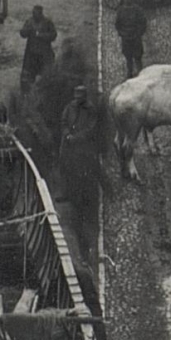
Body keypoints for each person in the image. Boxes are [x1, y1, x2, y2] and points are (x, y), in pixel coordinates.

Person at [57, 85, 103, 262]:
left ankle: (89, 190)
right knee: (64, 166)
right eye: (76, 96)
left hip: (83, 146)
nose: (77, 99)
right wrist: (68, 134)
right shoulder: (69, 107)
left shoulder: (91, 110)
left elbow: (91, 128)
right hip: (69, 145)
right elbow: (64, 122)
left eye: (80, 96)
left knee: (88, 166)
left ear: (85, 97)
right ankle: (65, 191)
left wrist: (78, 137)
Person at [19, 5, 57, 95]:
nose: (34, 15)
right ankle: (26, 95)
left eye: (36, 13)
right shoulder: (29, 22)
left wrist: (41, 35)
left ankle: (46, 94)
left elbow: (53, 35)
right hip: (31, 54)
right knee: (27, 76)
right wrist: (26, 31)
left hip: (44, 54)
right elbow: (22, 33)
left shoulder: (47, 22)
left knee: (46, 75)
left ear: (40, 13)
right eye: (33, 13)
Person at [115, 0, 148, 80]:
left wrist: (138, 33)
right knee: (129, 57)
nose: (127, 1)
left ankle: (139, 74)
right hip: (128, 38)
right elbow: (117, 24)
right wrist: (123, 34)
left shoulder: (135, 10)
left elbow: (143, 23)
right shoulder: (122, 11)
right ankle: (130, 73)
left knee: (137, 57)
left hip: (134, 38)